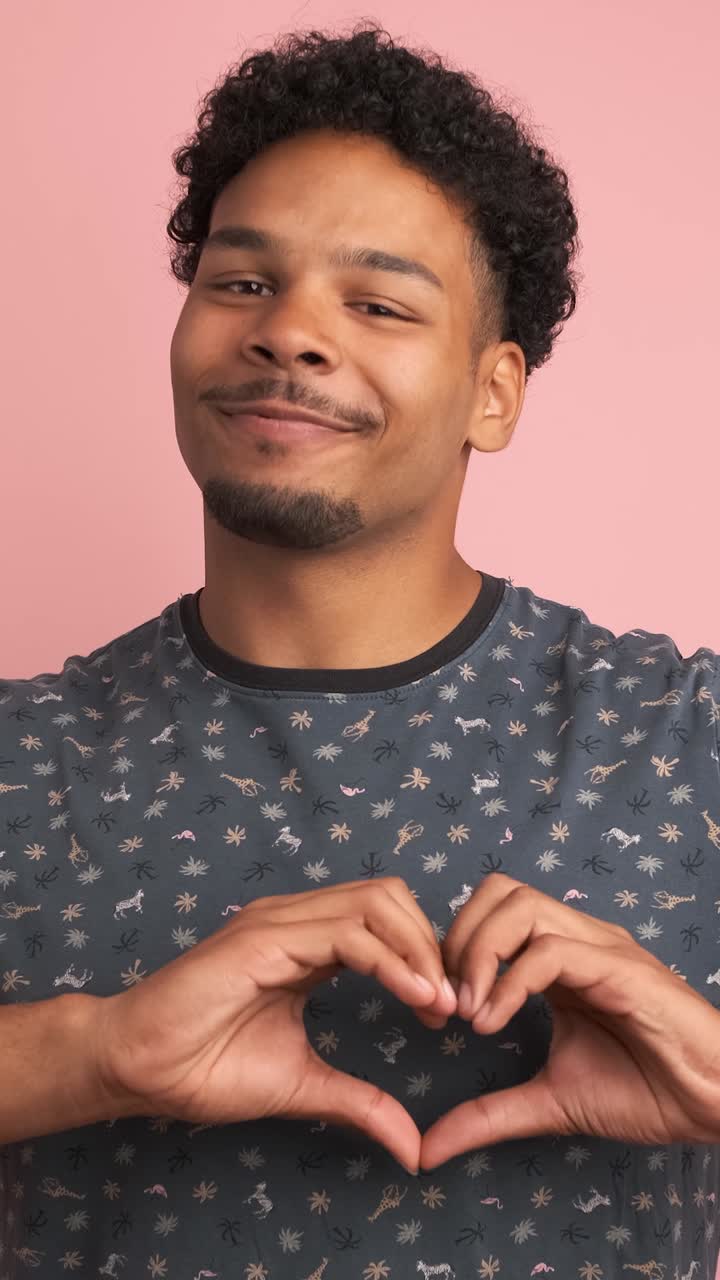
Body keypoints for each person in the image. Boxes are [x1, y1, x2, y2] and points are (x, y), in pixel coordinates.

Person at [1, 19, 718, 1280]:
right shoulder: (19, 757)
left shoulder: (685, 740)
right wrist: (95, 1054)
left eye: (378, 302)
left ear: (493, 392)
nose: (290, 332)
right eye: (241, 283)